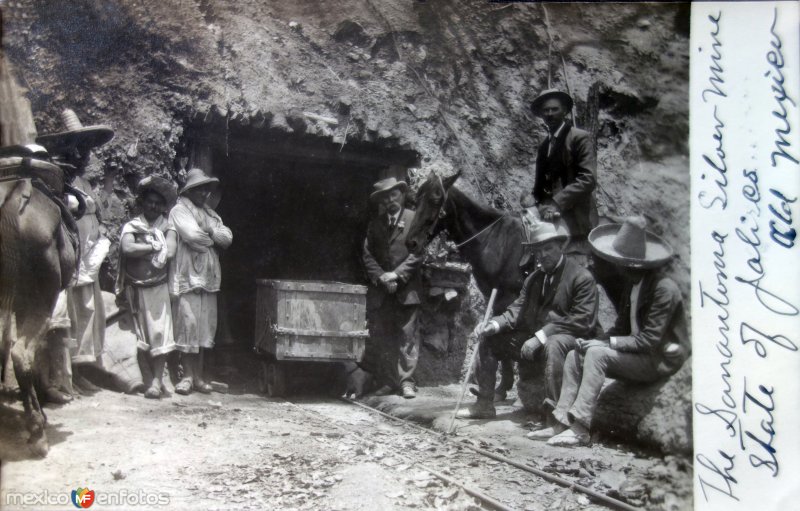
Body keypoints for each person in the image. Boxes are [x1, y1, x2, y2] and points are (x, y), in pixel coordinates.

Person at [530, 216, 689, 446]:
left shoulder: (663, 290)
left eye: (620, 263)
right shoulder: (632, 285)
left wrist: (604, 345)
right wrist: (596, 340)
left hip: (658, 358)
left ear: (634, 265)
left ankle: (581, 428)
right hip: (636, 352)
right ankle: (561, 422)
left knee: (596, 354)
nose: (616, 267)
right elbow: (620, 327)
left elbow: (649, 340)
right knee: (577, 354)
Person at [458, 222, 599, 420]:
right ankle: (484, 404)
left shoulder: (581, 277)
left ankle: (554, 417)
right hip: (536, 340)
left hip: (570, 342)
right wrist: (493, 325)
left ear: (561, 247)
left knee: (553, 344)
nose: (542, 255)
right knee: (490, 340)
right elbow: (516, 310)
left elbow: (581, 321)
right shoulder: (534, 279)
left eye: (548, 248)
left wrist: (540, 337)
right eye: (537, 251)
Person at [37, 108, 114, 394]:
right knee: (63, 314)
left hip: (88, 255)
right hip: (68, 253)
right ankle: (58, 377)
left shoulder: (83, 183)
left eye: (86, 150)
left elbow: (96, 214)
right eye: (76, 150)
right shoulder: (56, 179)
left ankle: (80, 372)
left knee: (86, 313)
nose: (82, 156)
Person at [168, 168, 232, 395]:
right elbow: (192, 236)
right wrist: (211, 236)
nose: (205, 193)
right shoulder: (179, 210)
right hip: (188, 275)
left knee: (205, 328)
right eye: (201, 189)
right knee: (188, 325)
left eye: (207, 189)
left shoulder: (212, 214)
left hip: (209, 277)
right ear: (191, 190)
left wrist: (211, 234)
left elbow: (227, 238)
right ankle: (186, 375)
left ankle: (199, 377)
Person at [117, 176, 178, 399]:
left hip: (158, 288)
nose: (153, 206)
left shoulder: (168, 227)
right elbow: (127, 249)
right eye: (149, 202)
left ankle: (157, 381)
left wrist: (147, 245)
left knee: (159, 334)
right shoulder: (133, 226)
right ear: (143, 203)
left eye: (157, 203)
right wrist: (152, 245)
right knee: (140, 336)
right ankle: (148, 379)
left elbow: (169, 252)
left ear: (163, 206)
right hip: (136, 288)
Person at [362, 177, 423, 399]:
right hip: (383, 291)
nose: (391, 200)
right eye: (385, 197)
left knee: (408, 337)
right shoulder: (375, 224)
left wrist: (396, 275)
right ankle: (389, 381)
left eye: (394, 195)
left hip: (408, 291)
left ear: (402, 194)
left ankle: (407, 382)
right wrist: (382, 277)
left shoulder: (414, 220)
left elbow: (418, 253)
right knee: (385, 336)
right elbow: (367, 255)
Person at [530, 89, 598, 261]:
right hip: (552, 219)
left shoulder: (579, 138)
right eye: (546, 110)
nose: (550, 114)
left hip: (577, 220)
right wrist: (536, 202)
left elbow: (588, 179)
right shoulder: (544, 144)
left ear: (565, 111)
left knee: (574, 268)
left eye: (555, 109)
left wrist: (557, 202)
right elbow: (542, 184)